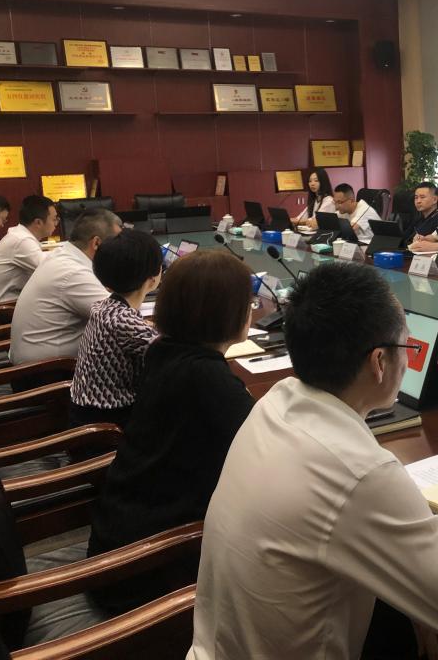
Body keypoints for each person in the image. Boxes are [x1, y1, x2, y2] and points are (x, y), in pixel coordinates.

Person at [187, 263, 438, 659]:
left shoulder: (274, 403)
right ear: (379, 362)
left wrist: (420, 599)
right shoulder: (359, 473)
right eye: (407, 348)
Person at [88, 248, 255, 610]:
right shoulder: (207, 378)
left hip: (120, 539)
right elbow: (266, 456)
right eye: (248, 303)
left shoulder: (166, 352)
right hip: (150, 571)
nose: (251, 311)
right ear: (226, 312)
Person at [69, 229, 162, 428]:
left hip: (86, 412)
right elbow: (175, 357)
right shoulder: (126, 323)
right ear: (152, 279)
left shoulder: (103, 307)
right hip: (109, 426)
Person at [8, 209, 121, 365]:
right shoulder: (72, 272)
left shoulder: (63, 256)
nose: (122, 249)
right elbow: (121, 320)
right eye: (118, 243)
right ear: (96, 243)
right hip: (47, 372)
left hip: (42, 362)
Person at [0, 195, 57, 304]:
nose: (56, 223)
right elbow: (53, 270)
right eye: (54, 219)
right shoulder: (21, 240)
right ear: (38, 222)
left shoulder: (20, 235)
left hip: (9, 302)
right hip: (2, 307)